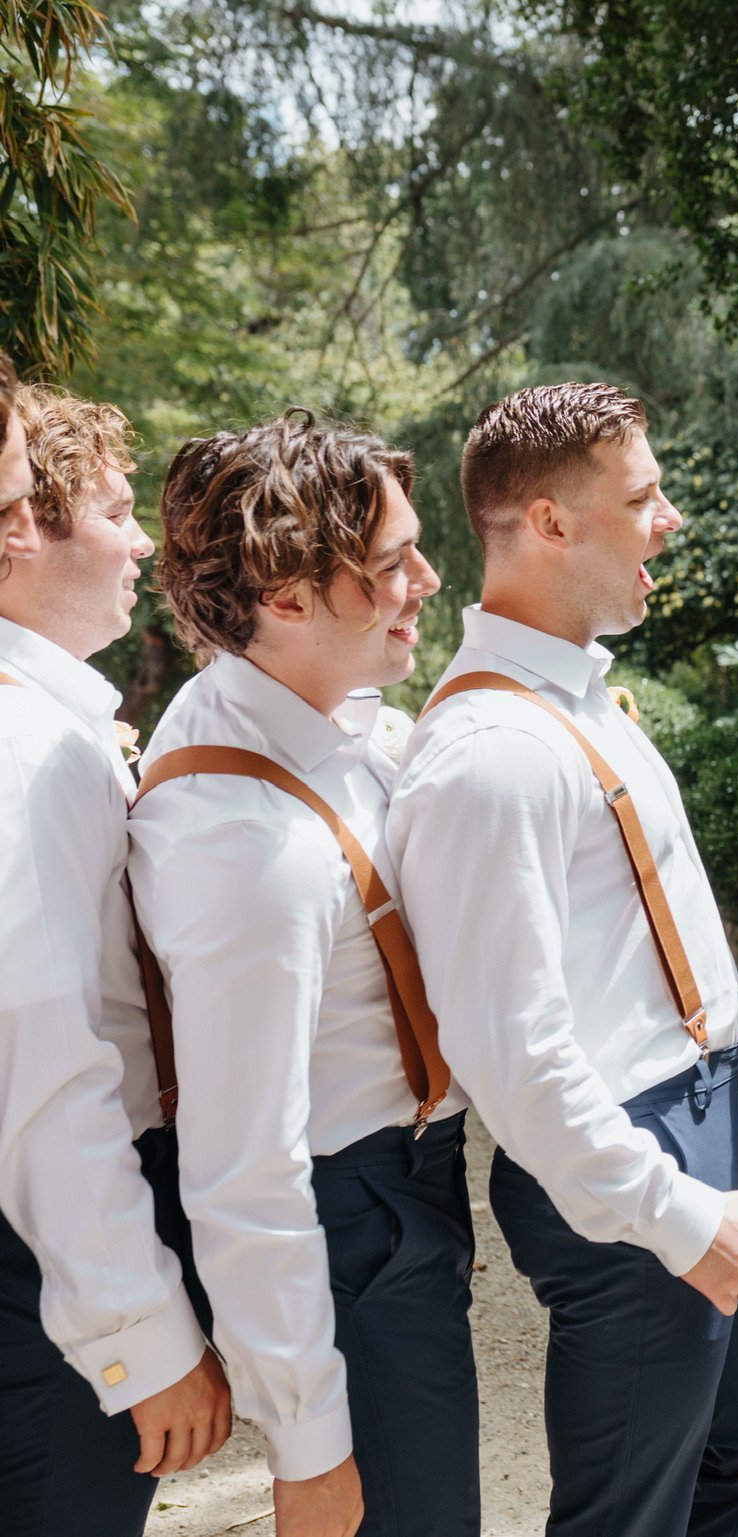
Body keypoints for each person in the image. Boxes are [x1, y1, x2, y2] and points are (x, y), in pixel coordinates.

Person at [387, 383, 738, 1537]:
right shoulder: (489, 749)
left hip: (705, 1109)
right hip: (621, 1149)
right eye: (643, 497)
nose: (669, 519)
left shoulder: (576, 694)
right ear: (550, 522)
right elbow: (509, 1049)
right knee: (630, 1511)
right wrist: (668, 1211)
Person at [130, 412, 475, 1537]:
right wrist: (310, 1444)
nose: (427, 580)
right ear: (285, 596)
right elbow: (243, 1165)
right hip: (350, 1226)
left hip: (394, 1200)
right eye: (392, 563)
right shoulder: (242, 839)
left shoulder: (324, 721)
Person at [0, 369, 232, 1535]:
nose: (143, 543)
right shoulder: (27, 750)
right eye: (115, 511)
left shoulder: (52, 725)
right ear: (24, 534)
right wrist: (138, 1333)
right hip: (39, 1260)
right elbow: (42, 1057)